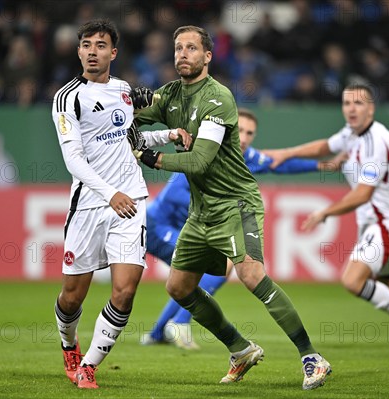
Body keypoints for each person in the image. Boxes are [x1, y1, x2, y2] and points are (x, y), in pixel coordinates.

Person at [132, 25, 331, 390]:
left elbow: (200, 162)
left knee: (251, 274)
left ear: (207, 57)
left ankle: (311, 356)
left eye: (191, 48)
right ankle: (240, 349)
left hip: (235, 204)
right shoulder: (169, 95)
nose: (182, 54)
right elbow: (125, 123)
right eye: (177, 48)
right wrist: (126, 101)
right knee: (178, 286)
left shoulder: (217, 98)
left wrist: (153, 157)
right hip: (201, 211)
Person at [51, 19, 190, 389]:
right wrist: (109, 193)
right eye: (86, 44)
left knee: (126, 290)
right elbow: (74, 160)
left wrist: (169, 134)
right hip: (90, 206)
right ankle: (69, 345)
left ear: (113, 52)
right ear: (79, 50)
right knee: (71, 296)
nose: (92, 51)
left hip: (131, 202)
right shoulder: (68, 97)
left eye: (100, 45)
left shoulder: (124, 90)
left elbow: (131, 138)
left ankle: (89, 366)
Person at [141, 108, 339, 350]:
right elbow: (173, 196)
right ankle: (179, 323)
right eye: (240, 130)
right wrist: (218, 204)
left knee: (188, 278)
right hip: (158, 225)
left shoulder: (246, 157)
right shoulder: (206, 151)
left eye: (250, 133)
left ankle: (158, 333)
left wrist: (324, 166)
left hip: (183, 227)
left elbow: (280, 165)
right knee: (213, 268)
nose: (244, 137)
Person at [262, 83, 389, 353]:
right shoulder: (353, 134)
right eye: (347, 103)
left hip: (385, 223)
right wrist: (287, 153)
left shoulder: (378, 141)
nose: (351, 109)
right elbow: (325, 146)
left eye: (358, 103)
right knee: (386, 283)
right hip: (374, 224)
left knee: (353, 280)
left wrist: (325, 211)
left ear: (371, 108)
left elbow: (363, 194)